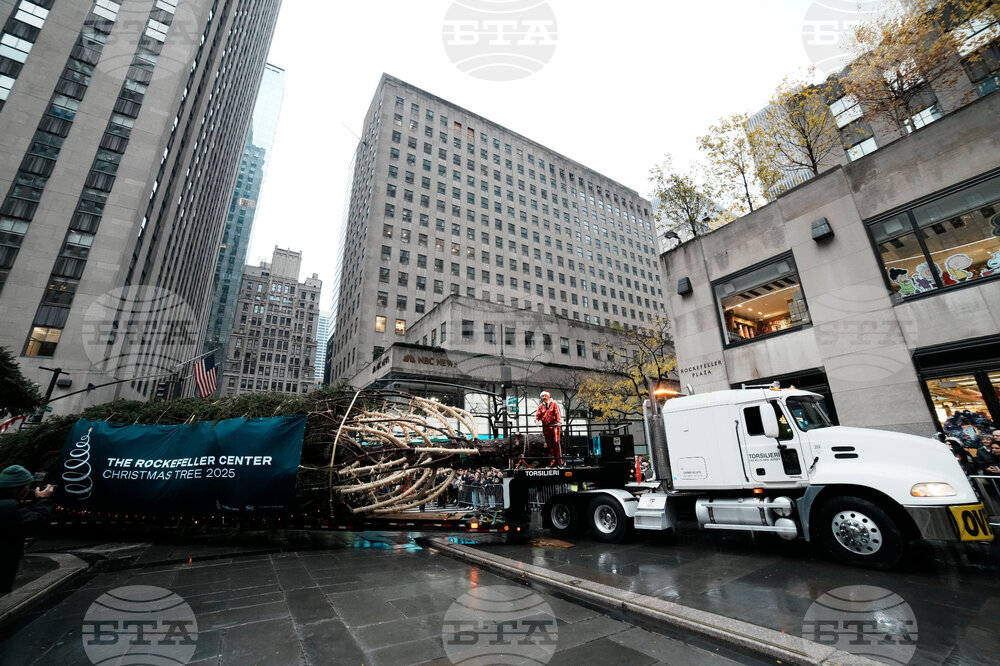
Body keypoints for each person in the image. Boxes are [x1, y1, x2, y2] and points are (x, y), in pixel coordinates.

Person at [0, 465, 54, 594]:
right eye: (28, 486)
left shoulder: (7, 506)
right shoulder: (9, 508)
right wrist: (43, 499)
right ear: (23, 488)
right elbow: (38, 521)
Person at [534, 390, 563, 466]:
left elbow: (557, 413)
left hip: (554, 426)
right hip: (546, 427)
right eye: (542, 396)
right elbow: (537, 415)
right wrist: (537, 421)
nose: (544, 397)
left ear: (548, 396)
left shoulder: (554, 404)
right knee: (549, 444)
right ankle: (552, 462)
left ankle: (559, 462)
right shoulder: (541, 406)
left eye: (545, 396)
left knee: (556, 442)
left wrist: (559, 422)